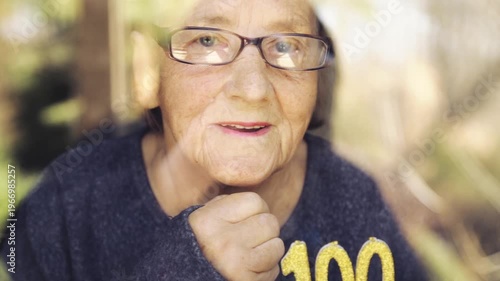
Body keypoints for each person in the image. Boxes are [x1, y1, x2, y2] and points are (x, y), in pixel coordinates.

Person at [1, 0, 429, 280]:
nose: (253, 89)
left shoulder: (353, 197)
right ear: (149, 73)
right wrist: (187, 267)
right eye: (207, 40)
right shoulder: (63, 211)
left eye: (286, 46)